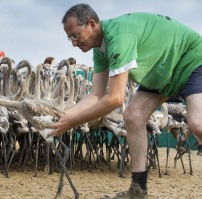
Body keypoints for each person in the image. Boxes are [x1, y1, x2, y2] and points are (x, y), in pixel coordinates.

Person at [48, 3, 202, 198]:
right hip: (162, 71)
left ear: (92, 24)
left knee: (197, 123)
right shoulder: (100, 50)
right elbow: (95, 94)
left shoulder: (119, 38)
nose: (73, 43)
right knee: (132, 116)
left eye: (75, 35)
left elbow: (115, 98)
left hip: (190, 60)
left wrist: (72, 122)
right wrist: (62, 116)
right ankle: (138, 190)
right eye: (69, 38)